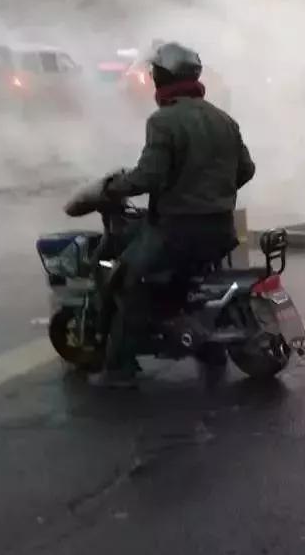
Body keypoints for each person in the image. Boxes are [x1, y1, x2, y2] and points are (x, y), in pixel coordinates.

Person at [100, 42, 255, 386]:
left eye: (155, 73)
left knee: (128, 279)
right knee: (187, 281)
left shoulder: (163, 121)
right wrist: (215, 192)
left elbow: (149, 176)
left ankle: (120, 368)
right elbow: (246, 169)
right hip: (221, 229)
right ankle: (209, 349)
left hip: (177, 231)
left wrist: (114, 187)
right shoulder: (223, 119)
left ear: (164, 77)